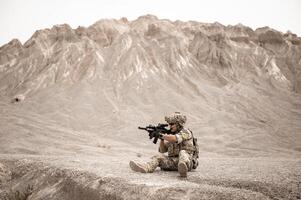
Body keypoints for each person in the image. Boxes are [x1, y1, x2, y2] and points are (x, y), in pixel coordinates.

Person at [129, 112, 198, 177]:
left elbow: (175, 138)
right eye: (169, 124)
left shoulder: (186, 132)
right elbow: (162, 150)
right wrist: (161, 139)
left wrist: (162, 135)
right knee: (158, 156)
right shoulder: (170, 135)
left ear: (178, 124)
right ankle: (146, 168)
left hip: (188, 162)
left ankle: (183, 169)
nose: (170, 126)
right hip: (174, 162)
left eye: (172, 124)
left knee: (183, 152)